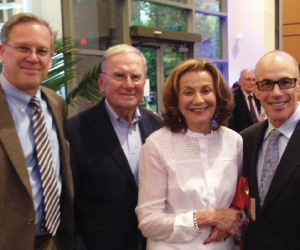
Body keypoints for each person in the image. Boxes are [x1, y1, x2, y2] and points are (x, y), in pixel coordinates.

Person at [136, 59, 243, 250]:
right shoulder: (157, 145)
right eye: (188, 92)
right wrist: (209, 217)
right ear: (176, 101)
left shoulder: (234, 142)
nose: (198, 100)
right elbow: (149, 222)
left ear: (217, 95)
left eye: (206, 90)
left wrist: (233, 220)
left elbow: (240, 201)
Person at [64, 44, 162, 250]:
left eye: (135, 77)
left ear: (144, 83)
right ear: (102, 82)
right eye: (119, 76)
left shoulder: (158, 127)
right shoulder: (75, 131)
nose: (129, 84)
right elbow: (69, 207)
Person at [0, 13, 73, 249]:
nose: (33, 58)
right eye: (23, 48)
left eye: (42, 51)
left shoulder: (55, 103)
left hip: (52, 241)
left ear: (51, 59)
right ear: (2, 52)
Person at [241, 51, 300, 250]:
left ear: (298, 85)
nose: (276, 92)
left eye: (285, 82)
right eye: (266, 83)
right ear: (256, 90)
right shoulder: (247, 139)